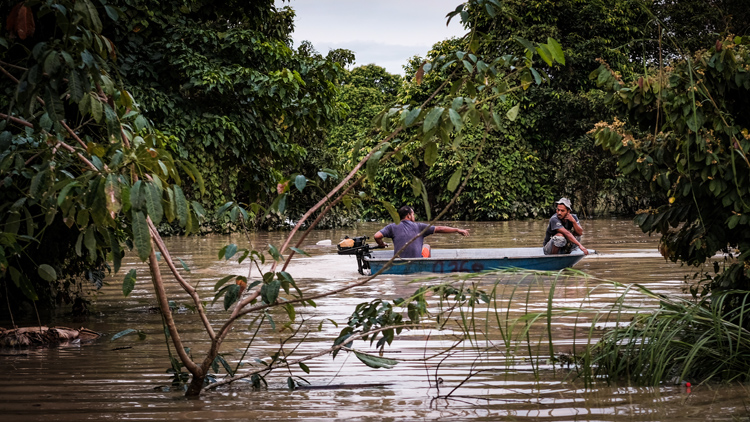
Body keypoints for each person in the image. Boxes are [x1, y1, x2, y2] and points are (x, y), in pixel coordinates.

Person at [374, 206, 469, 258]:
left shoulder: (392, 226)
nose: (414, 217)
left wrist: (381, 244)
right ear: (409, 216)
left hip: (399, 261)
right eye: (413, 214)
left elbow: (377, 236)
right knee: (426, 246)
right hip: (416, 261)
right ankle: (426, 266)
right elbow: (440, 228)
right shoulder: (419, 226)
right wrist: (457, 230)